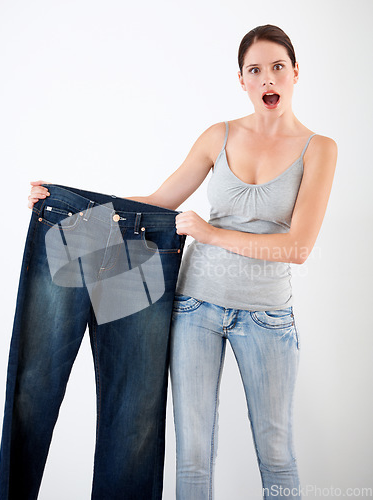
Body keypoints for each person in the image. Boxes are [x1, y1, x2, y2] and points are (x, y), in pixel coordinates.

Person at [28, 24, 337, 500]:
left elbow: (297, 247)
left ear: (295, 73)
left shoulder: (319, 148)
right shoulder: (220, 135)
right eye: (255, 71)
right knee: (192, 455)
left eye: (278, 68)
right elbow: (156, 202)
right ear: (242, 80)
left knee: (276, 452)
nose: (267, 80)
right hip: (195, 309)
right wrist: (65, 208)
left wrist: (211, 232)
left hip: (268, 317)